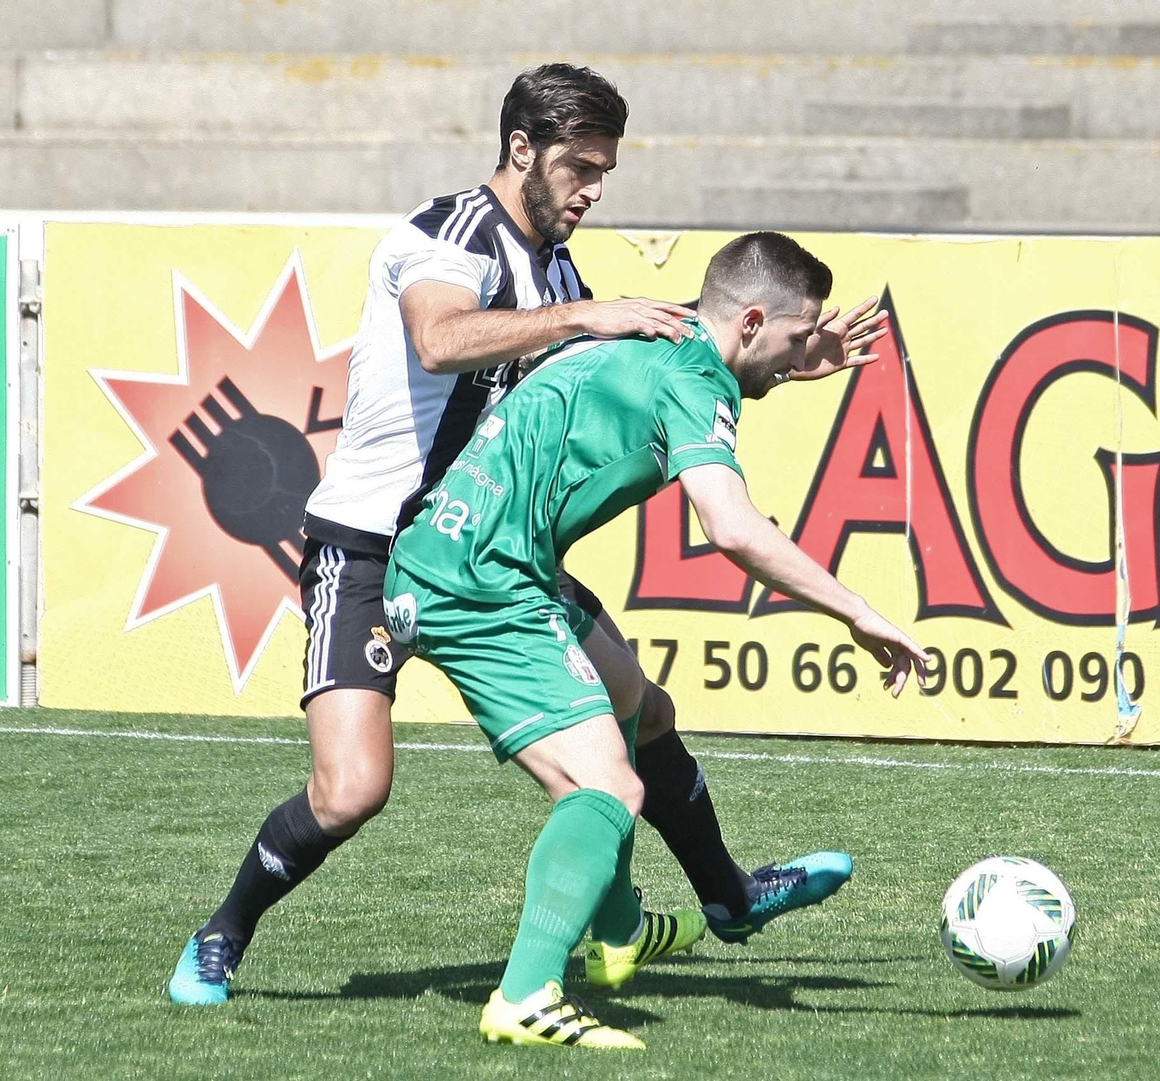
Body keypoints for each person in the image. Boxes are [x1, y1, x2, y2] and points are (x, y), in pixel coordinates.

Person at [167, 62, 888, 1007]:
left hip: (496, 552)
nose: (593, 190)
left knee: (642, 704)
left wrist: (784, 361)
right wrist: (586, 311)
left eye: (605, 172)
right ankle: (222, 933)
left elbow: (651, 368)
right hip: (375, 545)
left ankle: (721, 896)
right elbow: (439, 338)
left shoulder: (556, 269)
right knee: (351, 789)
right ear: (521, 150)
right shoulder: (450, 233)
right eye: (580, 168)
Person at [384, 230, 929, 1049]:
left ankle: (635, 927)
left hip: (478, 556)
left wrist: (786, 366)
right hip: (478, 578)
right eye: (791, 334)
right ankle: (526, 993)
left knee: (638, 705)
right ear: (748, 320)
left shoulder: (664, 328)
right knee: (607, 788)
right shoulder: (691, 374)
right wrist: (855, 611)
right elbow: (733, 528)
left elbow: (711, 372)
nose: (800, 350)